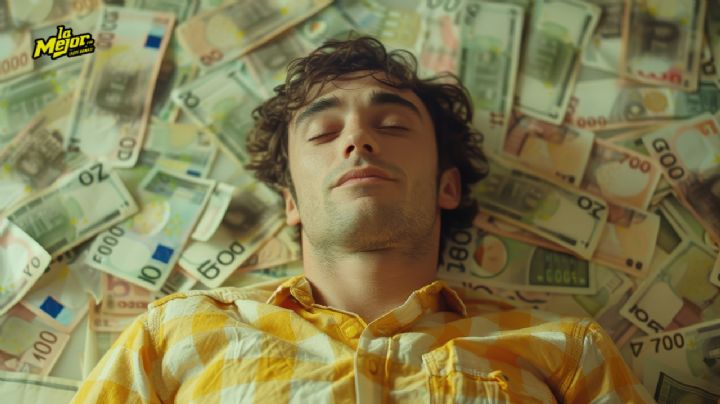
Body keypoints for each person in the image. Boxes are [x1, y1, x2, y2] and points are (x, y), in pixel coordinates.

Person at [71, 36, 653, 403]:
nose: (357, 139)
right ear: (292, 202)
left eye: (393, 126)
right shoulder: (171, 334)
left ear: (448, 185)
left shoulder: (567, 350)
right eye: (323, 132)